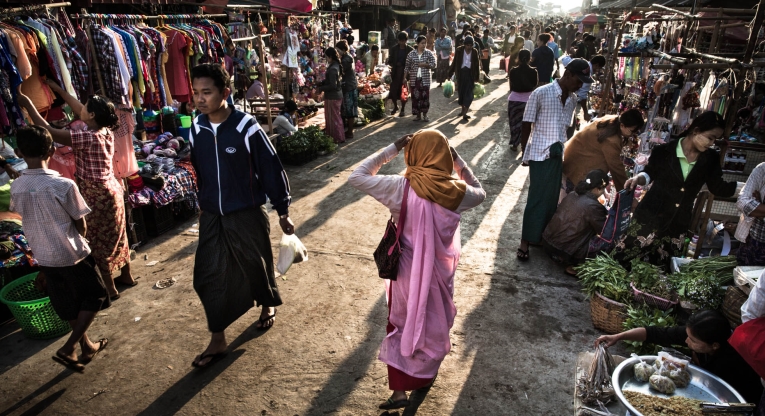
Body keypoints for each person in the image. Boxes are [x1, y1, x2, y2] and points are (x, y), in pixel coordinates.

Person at [348, 129, 486, 411]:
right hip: (439, 272)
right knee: (433, 321)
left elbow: (357, 176)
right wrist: (457, 161)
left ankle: (399, 393)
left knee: (402, 323)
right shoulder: (458, 193)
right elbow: (481, 192)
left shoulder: (400, 188)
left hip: (407, 272)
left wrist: (392, 149)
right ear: (444, 156)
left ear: (412, 154)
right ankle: (424, 375)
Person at [187, 63, 293, 369]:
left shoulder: (246, 126)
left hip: (246, 211)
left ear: (225, 93)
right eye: (196, 93)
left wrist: (283, 209)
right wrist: (202, 202)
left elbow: (270, 169)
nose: (200, 99)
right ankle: (218, 339)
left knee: (255, 264)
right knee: (207, 275)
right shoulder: (197, 128)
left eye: (206, 92)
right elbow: (200, 169)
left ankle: (268, 305)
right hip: (212, 214)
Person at [16, 81, 137, 300]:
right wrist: (59, 90)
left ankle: (110, 288)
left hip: (96, 193)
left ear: (90, 115)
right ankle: (126, 275)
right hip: (113, 189)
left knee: (97, 240)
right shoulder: (105, 130)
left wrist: (28, 104)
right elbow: (80, 107)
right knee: (118, 235)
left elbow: (47, 131)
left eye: (84, 109)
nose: (79, 110)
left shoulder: (86, 137)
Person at [10, 126, 110, 373]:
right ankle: (70, 346)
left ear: (20, 152)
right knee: (95, 296)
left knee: (69, 303)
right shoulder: (64, 184)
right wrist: (81, 239)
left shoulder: (17, 187)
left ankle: (86, 347)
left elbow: (21, 212)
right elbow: (81, 222)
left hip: (44, 255)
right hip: (72, 253)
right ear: (52, 151)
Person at [613, 111, 738, 266]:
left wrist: (743, 189)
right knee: (623, 260)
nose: (711, 143)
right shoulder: (663, 151)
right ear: (696, 131)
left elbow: (717, 187)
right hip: (650, 216)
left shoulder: (710, 159)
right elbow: (649, 174)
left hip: (677, 223)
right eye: (710, 137)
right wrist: (637, 179)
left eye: (715, 140)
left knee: (662, 269)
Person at [595, 310, 763, 405]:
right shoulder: (696, 334)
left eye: (692, 340)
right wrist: (618, 336)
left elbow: (734, 400)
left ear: (714, 345)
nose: (685, 340)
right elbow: (654, 333)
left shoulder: (733, 363)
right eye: (688, 335)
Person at [517, 59, 590, 261]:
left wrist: (563, 143)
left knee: (551, 200)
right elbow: (526, 123)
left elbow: (568, 125)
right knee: (536, 198)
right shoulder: (541, 93)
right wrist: (526, 153)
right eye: (579, 80)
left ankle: (540, 236)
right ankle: (525, 241)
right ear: (568, 75)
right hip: (540, 154)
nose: (580, 85)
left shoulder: (573, 100)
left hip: (558, 154)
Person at [542, 169, 608, 275]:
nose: (602, 193)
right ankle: (575, 266)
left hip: (548, 243)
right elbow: (604, 231)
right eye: (603, 190)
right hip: (564, 253)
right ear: (597, 189)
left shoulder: (573, 193)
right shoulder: (593, 206)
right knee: (608, 243)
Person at [563, 109, 644, 191]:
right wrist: (625, 190)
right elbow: (616, 168)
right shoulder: (612, 140)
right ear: (622, 125)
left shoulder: (613, 120)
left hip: (572, 158)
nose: (633, 134)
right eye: (632, 131)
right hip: (577, 167)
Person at [507, 50, 537, 151]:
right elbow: (534, 85)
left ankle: (515, 144)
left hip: (514, 99)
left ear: (518, 58)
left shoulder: (513, 71)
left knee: (514, 123)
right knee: (527, 124)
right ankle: (526, 145)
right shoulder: (534, 71)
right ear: (530, 59)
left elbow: (511, 86)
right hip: (528, 100)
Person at [736, 162, 765, 265]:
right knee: (746, 276)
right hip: (755, 242)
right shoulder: (762, 169)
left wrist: (759, 208)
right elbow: (742, 202)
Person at [448, 36, 480, 122]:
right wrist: (450, 73)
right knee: (461, 93)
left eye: (471, 45)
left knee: (469, 94)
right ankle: (463, 110)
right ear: (465, 45)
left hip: (470, 74)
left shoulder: (474, 52)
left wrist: (477, 77)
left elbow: (477, 65)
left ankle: (465, 112)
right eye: (468, 45)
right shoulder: (459, 50)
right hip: (461, 74)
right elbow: (454, 62)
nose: (469, 47)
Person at [405, 36, 437, 122]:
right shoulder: (411, 54)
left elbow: (434, 64)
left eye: (425, 43)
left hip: (425, 79)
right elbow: (407, 67)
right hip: (414, 79)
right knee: (415, 97)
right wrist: (404, 78)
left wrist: (425, 65)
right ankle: (418, 115)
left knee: (425, 97)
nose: (424, 45)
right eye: (422, 43)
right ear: (418, 44)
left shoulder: (429, 53)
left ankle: (425, 115)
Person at [318, 47, 345, 144]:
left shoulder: (333, 68)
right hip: (336, 95)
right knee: (336, 117)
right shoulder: (336, 65)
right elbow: (333, 81)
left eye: (326, 57)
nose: (326, 58)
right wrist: (323, 83)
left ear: (330, 56)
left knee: (333, 119)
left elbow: (333, 85)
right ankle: (339, 137)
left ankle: (336, 138)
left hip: (333, 97)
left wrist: (321, 88)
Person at [387, 32, 414, 117]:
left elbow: (412, 63)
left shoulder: (410, 50)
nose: (402, 43)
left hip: (405, 73)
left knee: (403, 91)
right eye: (400, 41)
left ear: (406, 40)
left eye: (403, 41)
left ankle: (402, 109)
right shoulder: (394, 49)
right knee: (393, 91)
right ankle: (395, 106)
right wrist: (389, 62)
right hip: (395, 73)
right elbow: (391, 59)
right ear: (398, 41)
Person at [336, 40, 358, 140]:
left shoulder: (347, 59)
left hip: (349, 86)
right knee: (347, 110)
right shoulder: (346, 57)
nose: (337, 52)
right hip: (349, 86)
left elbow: (341, 70)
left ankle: (350, 132)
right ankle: (348, 131)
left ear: (343, 50)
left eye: (338, 50)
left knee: (349, 110)